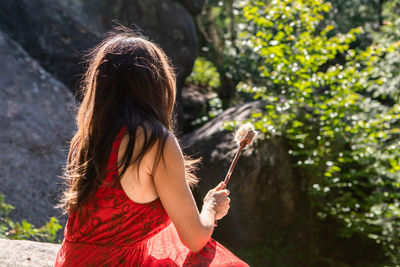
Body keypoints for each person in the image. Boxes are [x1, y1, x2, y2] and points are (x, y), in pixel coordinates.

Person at [54, 27, 248, 266]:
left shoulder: (87, 138)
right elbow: (195, 239)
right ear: (156, 84)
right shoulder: (154, 141)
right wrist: (210, 207)